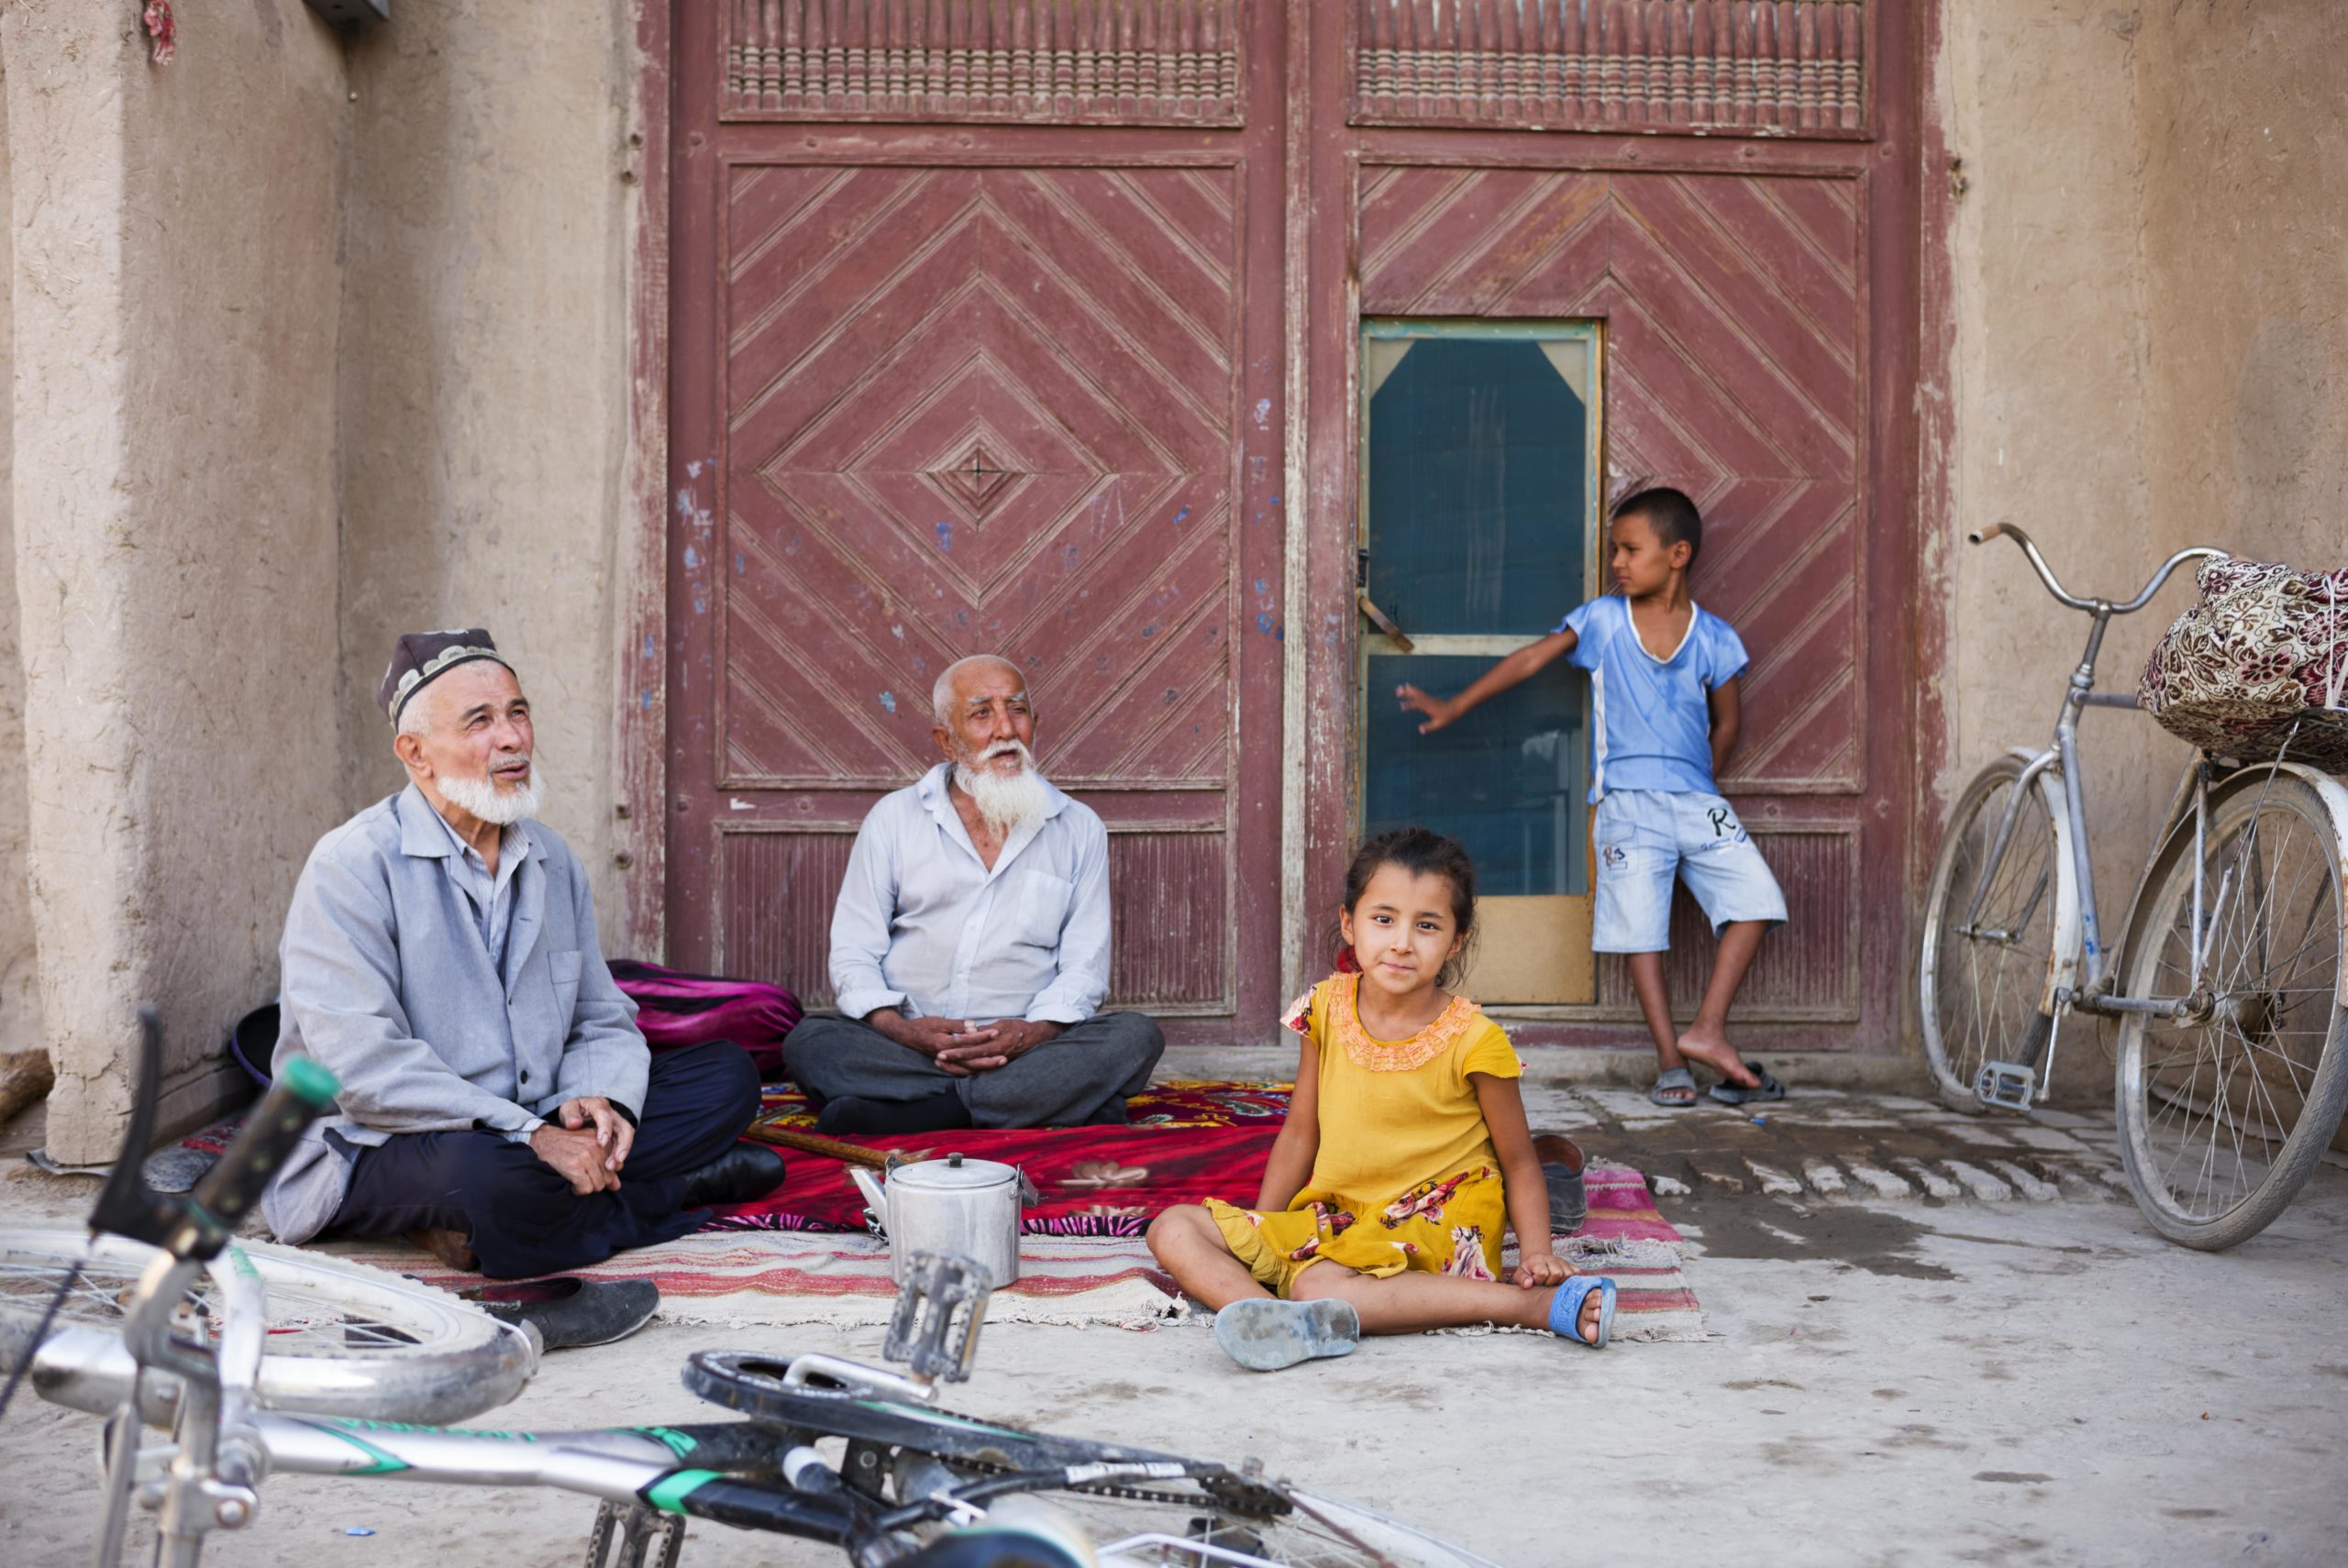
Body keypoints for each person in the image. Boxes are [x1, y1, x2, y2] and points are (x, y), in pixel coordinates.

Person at [261, 629, 783, 1300]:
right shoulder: (352, 866)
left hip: (531, 1115)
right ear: (414, 753)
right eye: (480, 721)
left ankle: (502, 1222)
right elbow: (361, 1073)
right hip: (388, 1138)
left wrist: (600, 1097)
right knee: (487, 1178)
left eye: (517, 712)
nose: (511, 739)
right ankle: (669, 1191)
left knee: (727, 1078)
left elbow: (600, 1015)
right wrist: (531, 1134)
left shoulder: (550, 857)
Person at [1148, 828, 1615, 1371]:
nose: (1401, 942)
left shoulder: (1474, 1038)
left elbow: (1517, 1159)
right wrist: (1262, 1231)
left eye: (1427, 926)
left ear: (1457, 940)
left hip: (1435, 1214)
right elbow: (1301, 1131)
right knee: (1172, 1227)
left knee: (1317, 1282)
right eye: (1383, 918)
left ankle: (1527, 1304)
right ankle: (1267, 1319)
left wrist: (1537, 1254)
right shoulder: (1325, 1007)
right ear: (1350, 923)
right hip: (1341, 1217)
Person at [1396, 487, 1789, 1109]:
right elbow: (1531, 660)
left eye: (1631, 550)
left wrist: (1700, 779)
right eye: (1614, 550)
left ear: (1678, 554)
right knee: (1641, 933)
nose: (1617, 562)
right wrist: (1455, 704)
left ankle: (1707, 1030)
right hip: (1627, 805)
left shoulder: (1715, 637)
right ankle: (1670, 1064)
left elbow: (1729, 722)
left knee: (1758, 900)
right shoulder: (1604, 621)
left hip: (1696, 798)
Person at [781, 654, 1165, 1133]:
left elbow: (1084, 968)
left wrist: (1030, 1034)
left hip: (1026, 1048)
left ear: (1034, 724)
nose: (1005, 730)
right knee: (810, 1041)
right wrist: (903, 1030)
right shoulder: (894, 818)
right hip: (911, 1045)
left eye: (1017, 710)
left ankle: (932, 1112)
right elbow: (855, 952)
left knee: (1135, 1037)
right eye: (982, 713)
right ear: (945, 740)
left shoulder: (1077, 827)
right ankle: (1043, 1105)